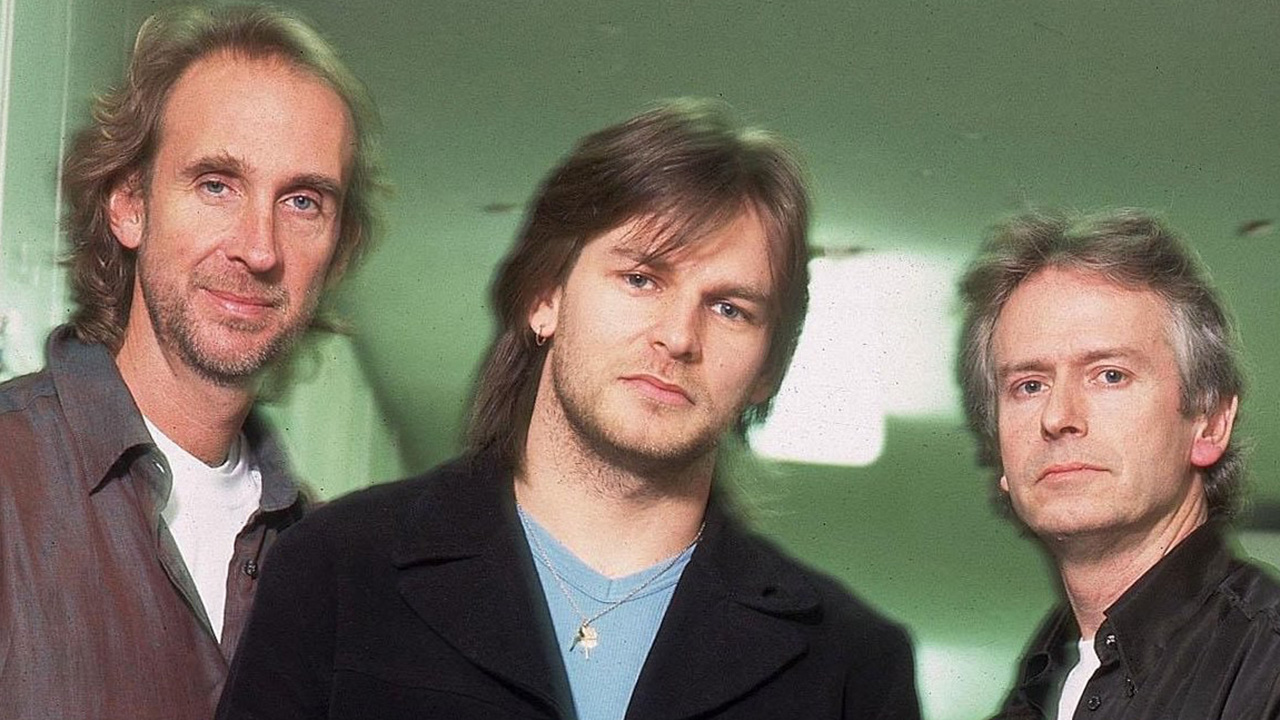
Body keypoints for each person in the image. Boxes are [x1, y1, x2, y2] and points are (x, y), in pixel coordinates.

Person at [216, 100, 921, 720]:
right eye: (641, 278)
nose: (679, 336)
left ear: (767, 369)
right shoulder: (338, 570)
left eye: (730, 309)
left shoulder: (853, 670)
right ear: (545, 297)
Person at [0, 5, 381, 719]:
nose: (259, 249)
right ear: (129, 205)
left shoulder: (334, 565)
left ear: (335, 250)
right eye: (216, 184)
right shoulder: (11, 475)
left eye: (302, 201)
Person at [958, 210, 1280, 719]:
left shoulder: (1267, 665)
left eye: (1109, 375)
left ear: (1210, 423)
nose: (1058, 417)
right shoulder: (1036, 694)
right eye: (1029, 385)